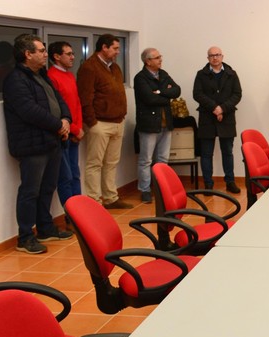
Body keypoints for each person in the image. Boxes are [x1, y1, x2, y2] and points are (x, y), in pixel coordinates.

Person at [3, 34, 73, 254]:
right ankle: (25, 238)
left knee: (48, 188)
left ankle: (45, 228)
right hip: (32, 144)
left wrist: (66, 119)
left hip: (51, 140)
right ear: (28, 54)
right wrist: (58, 125)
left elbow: (59, 100)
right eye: (41, 51)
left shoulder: (41, 75)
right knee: (30, 191)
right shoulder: (15, 79)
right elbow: (29, 111)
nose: (45, 54)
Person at [77, 33, 132, 209]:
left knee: (111, 163)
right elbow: (85, 98)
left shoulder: (115, 67)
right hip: (99, 123)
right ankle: (94, 201)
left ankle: (110, 198)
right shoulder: (89, 67)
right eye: (115, 48)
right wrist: (92, 123)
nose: (118, 52)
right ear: (104, 47)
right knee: (95, 163)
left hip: (118, 121)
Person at [134, 48, 181, 203]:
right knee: (146, 160)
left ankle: (161, 189)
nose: (160, 59)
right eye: (157, 57)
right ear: (148, 61)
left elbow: (177, 91)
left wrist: (159, 92)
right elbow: (149, 99)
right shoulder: (140, 78)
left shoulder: (163, 74)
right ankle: (145, 190)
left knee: (163, 159)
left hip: (166, 123)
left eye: (160, 56)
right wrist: (166, 94)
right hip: (149, 124)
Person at [193, 46, 242, 194]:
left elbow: (237, 94)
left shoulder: (231, 74)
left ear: (222, 56)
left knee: (227, 152)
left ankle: (230, 182)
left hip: (227, 117)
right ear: (208, 58)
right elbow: (197, 94)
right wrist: (214, 108)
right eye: (211, 55)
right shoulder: (201, 74)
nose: (215, 58)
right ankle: (208, 184)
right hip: (207, 117)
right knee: (206, 153)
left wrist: (222, 109)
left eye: (217, 55)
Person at [47, 41, 84, 213]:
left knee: (75, 174)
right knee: (65, 177)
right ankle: (72, 214)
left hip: (75, 132)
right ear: (56, 56)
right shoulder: (52, 76)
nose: (73, 57)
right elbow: (57, 109)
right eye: (68, 54)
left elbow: (76, 104)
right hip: (63, 134)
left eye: (72, 53)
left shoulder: (69, 75)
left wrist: (79, 128)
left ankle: (81, 212)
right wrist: (74, 129)